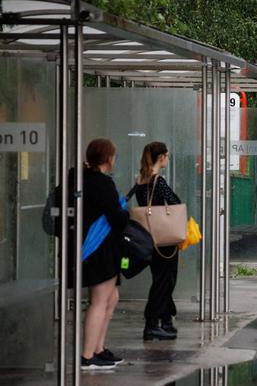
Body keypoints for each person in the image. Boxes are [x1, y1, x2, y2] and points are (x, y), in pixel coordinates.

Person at [77, 138, 128, 369]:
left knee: (110, 298)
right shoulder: (101, 183)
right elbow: (116, 217)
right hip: (99, 249)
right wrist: (126, 214)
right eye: (113, 155)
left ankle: (98, 348)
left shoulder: (82, 179)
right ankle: (88, 355)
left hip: (95, 248)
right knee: (99, 301)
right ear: (108, 158)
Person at [135, 142, 181, 341]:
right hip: (165, 240)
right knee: (165, 281)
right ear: (161, 157)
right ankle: (152, 322)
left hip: (149, 236)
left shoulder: (140, 180)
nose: (168, 159)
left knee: (161, 280)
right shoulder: (157, 181)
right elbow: (175, 202)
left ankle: (166, 320)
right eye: (167, 156)